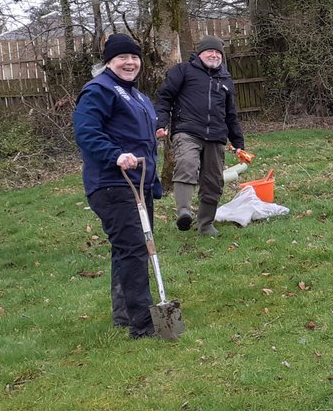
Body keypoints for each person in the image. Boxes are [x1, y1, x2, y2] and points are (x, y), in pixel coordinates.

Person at [73, 33, 162, 339]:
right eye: (122, 57)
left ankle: (124, 314)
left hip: (138, 184)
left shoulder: (136, 95)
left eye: (134, 57)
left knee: (128, 249)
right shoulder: (99, 90)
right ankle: (143, 323)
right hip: (113, 183)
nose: (130, 62)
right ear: (109, 61)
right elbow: (86, 132)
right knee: (134, 249)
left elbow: (138, 136)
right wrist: (115, 155)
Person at [155, 35, 246, 237]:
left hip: (216, 136)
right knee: (187, 164)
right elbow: (164, 98)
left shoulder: (225, 79)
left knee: (213, 180)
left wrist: (238, 142)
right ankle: (184, 212)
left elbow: (231, 114)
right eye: (209, 51)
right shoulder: (183, 71)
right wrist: (161, 123)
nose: (214, 55)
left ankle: (205, 225)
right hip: (187, 130)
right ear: (199, 54)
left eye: (217, 52)